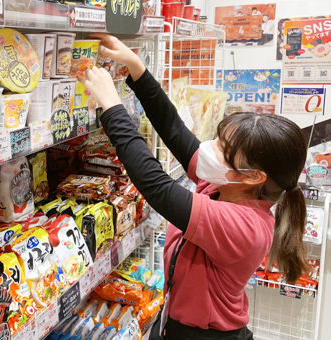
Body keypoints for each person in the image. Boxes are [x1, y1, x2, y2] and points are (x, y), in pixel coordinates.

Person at [78, 34, 308, 340]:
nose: (209, 148)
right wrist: (137, 68)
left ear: (253, 176)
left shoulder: (245, 226)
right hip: (179, 321)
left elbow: (156, 186)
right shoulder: (223, 185)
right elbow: (174, 129)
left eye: (222, 148)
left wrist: (112, 107)